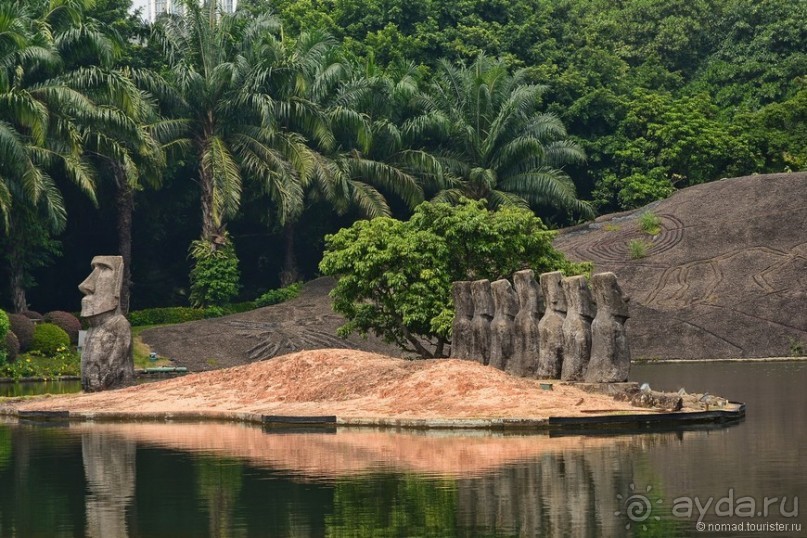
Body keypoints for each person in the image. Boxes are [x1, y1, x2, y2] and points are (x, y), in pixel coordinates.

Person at [78, 256, 134, 391]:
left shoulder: (119, 325)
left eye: (103, 269)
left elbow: (115, 365)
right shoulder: (93, 328)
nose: (86, 285)